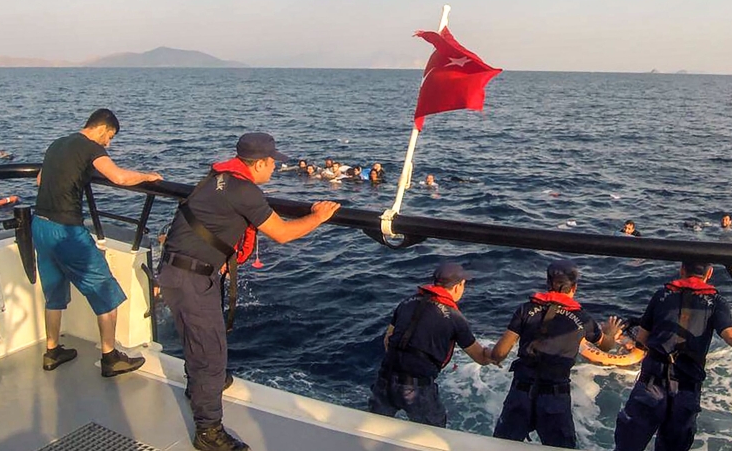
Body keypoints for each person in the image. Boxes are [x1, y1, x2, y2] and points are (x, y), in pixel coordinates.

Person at [158, 132, 340, 451]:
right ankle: (208, 432)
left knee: (199, 340)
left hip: (178, 270)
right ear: (258, 164)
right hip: (191, 278)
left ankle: (199, 386)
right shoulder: (245, 191)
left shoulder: (217, 178)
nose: (275, 168)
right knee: (212, 353)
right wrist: (317, 216)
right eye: (272, 163)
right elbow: (282, 233)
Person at [33, 109, 162, 377]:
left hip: (40, 225)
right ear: (102, 129)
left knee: (54, 293)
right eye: (110, 137)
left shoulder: (58, 143)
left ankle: (52, 351)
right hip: (66, 230)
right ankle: (110, 357)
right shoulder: (90, 148)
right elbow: (119, 178)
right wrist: (147, 176)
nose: (108, 144)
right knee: (106, 291)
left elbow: (40, 180)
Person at [614, 261, 732, 451]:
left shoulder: (661, 295)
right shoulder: (716, 301)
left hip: (652, 383)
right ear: (709, 273)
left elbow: (643, 338)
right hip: (686, 387)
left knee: (629, 444)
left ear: (682, 270)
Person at [491, 260, 622, 448]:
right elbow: (606, 345)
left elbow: (499, 354)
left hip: (521, 393)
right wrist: (610, 332)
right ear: (574, 287)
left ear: (547, 283)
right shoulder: (583, 319)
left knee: (501, 447)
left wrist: (488, 355)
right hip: (554, 399)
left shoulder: (526, 309)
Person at [369, 262, 495, 427]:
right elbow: (480, 358)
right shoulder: (456, 318)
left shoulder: (406, 302)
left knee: (374, 429)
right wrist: (496, 354)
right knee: (433, 433)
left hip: (384, 379)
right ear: (458, 286)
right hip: (416, 388)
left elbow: (388, 340)